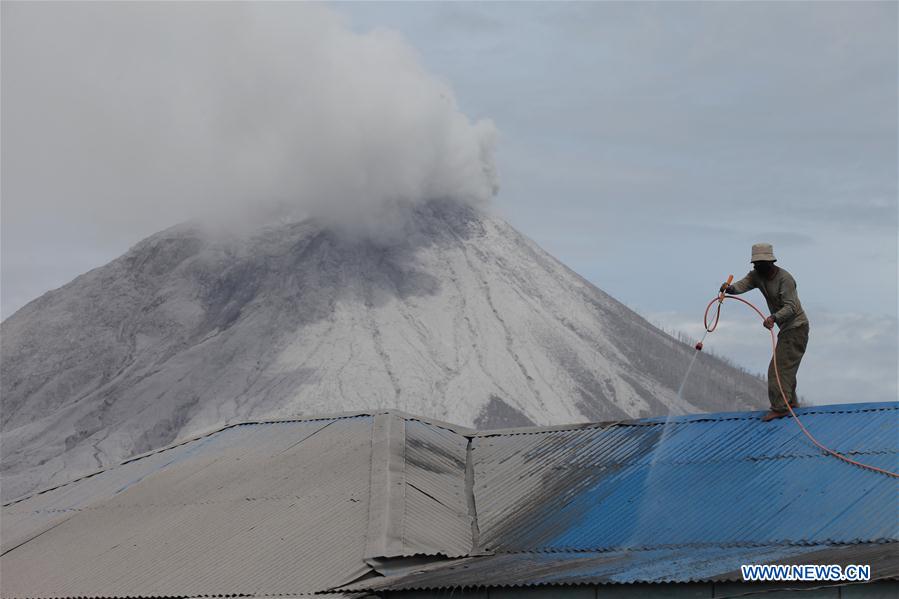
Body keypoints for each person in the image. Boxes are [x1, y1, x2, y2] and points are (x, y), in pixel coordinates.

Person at [721, 243, 810, 422]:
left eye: (760, 264)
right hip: (786, 329)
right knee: (786, 366)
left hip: (796, 328)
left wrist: (773, 318)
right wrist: (730, 289)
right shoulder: (756, 275)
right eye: (755, 264)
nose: (756, 267)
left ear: (770, 263)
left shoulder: (785, 279)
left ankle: (780, 407)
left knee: (777, 369)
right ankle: (789, 403)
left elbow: (791, 307)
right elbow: (743, 284)